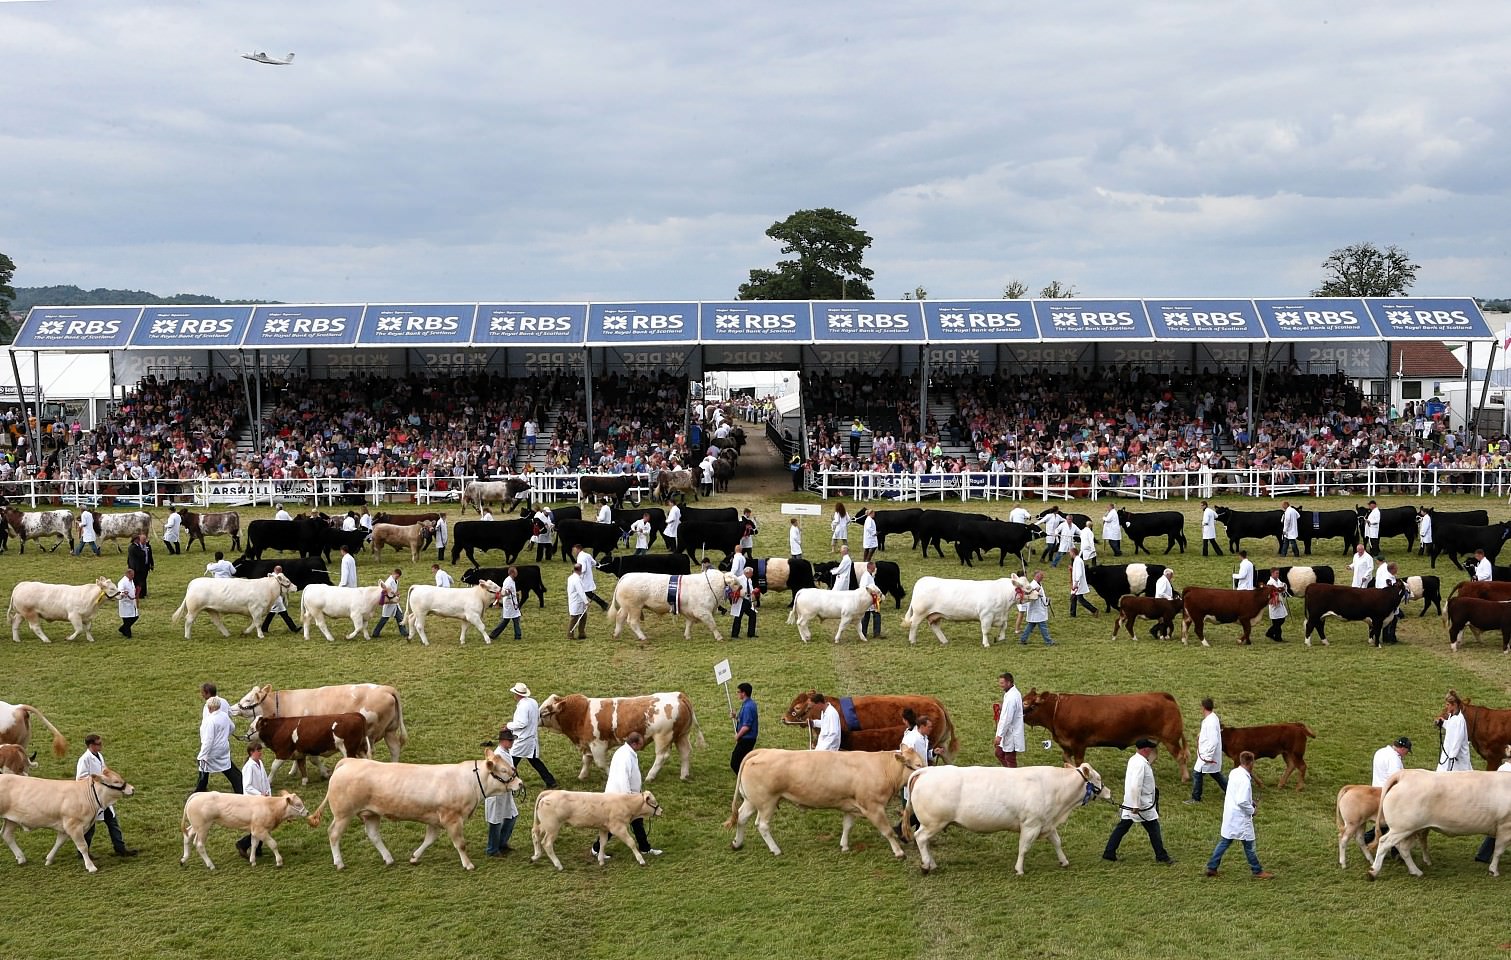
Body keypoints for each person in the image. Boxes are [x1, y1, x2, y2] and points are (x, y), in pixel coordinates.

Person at [590, 732, 662, 859]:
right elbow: (624, 777)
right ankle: (596, 849)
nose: (642, 746)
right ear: (634, 743)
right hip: (620, 799)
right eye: (641, 744)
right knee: (614, 824)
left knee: (637, 822)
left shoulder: (625, 752)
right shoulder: (626, 756)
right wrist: (629, 798)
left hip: (626, 797)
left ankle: (645, 847)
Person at [1102, 738, 1175, 865]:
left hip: (1132, 802)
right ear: (1145, 749)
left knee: (1122, 827)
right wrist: (1136, 805)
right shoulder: (1140, 764)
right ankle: (1161, 856)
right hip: (1141, 804)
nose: (1152, 750)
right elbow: (1136, 785)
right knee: (1153, 828)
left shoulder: (1134, 760)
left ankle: (1109, 852)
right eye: (1150, 748)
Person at [1204, 751, 1272, 879]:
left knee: (1225, 841)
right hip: (1240, 818)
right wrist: (1252, 810)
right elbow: (1241, 801)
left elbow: (1237, 794)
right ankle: (1257, 870)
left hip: (1231, 815)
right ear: (1251, 762)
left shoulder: (1234, 773)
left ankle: (1212, 867)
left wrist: (1250, 801)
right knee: (1249, 845)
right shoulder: (1245, 781)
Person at [76, 733, 136, 857]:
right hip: (92, 798)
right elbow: (80, 778)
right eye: (99, 744)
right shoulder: (85, 759)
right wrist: (99, 779)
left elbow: (104, 770)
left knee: (113, 822)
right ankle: (82, 852)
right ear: (91, 745)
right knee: (90, 827)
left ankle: (120, 849)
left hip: (103, 796)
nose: (101, 746)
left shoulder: (99, 756)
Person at [506, 682, 557, 788]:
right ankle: (550, 781)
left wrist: (509, 725)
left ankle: (515, 783)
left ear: (517, 694)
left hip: (522, 739)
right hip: (531, 738)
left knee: (511, 762)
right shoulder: (533, 702)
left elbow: (522, 723)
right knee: (535, 762)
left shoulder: (523, 707)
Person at [1363, 736, 1411, 844]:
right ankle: (1395, 849)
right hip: (1388, 794)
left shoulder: (1381, 751)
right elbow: (1395, 779)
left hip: (1376, 790)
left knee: (1385, 823)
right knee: (1395, 823)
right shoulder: (1394, 759)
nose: (1405, 755)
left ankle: (1368, 839)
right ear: (1403, 749)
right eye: (1407, 752)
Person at [196, 695, 244, 794]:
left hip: (213, 751)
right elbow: (232, 727)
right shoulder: (224, 715)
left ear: (209, 708)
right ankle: (240, 787)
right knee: (227, 767)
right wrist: (224, 735)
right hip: (224, 747)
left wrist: (202, 754)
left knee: (204, 767)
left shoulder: (210, 721)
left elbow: (208, 740)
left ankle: (200, 790)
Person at [485, 728, 520, 857]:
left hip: (505, 792)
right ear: (503, 741)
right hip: (496, 793)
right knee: (496, 820)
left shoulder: (505, 752)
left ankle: (501, 843)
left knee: (511, 816)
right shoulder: (497, 755)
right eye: (510, 740)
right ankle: (492, 849)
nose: (512, 743)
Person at [1187, 698, 1228, 802]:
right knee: (1215, 774)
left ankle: (1196, 798)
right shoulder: (1212, 718)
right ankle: (1231, 792)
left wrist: (1208, 757)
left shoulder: (1210, 721)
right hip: (1208, 754)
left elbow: (1214, 740)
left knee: (1197, 773)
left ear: (1203, 707)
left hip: (1207, 755)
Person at [1474, 749, 1511, 864]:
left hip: (1497, 803)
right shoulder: (1506, 770)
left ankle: (1483, 855)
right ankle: (1484, 855)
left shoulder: (1502, 768)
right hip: (1504, 804)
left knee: (1498, 830)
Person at [235, 742, 270, 860]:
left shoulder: (260, 763)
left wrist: (268, 793)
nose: (260, 752)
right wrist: (260, 794)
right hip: (252, 801)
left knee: (262, 824)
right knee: (260, 826)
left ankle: (257, 848)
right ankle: (243, 844)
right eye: (258, 750)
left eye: (260, 750)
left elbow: (265, 780)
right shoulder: (249, 767)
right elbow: (247, 786)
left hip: (262, 800)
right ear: (251, 752)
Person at [994, 672, 1024, 767]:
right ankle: (1008, 773)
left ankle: (1013, 777)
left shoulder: (1011, 697)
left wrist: (999, 736)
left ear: (1009, 683)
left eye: (1002, 683)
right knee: (999, 753)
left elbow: (1007, 719)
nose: (1000, 685)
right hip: (1009, 732)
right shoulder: (1012, 693)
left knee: (1009, 758)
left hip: (1011, 733)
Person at [259, 563, 300, 634]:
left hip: (274, 598)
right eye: (279, 570)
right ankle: (293, 628)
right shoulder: (277, 578)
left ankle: (264, 628)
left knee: (273, 613)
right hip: (277, 599)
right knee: (283, 613)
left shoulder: (271, 577)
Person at [1438, 690, 1472, 771]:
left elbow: (1458, 739)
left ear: (1454, 705)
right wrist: (1442, 723)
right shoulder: (1452, 716)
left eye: (1448, 705)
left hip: (1457, 760)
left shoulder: (1459, 720)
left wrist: (1452, 756)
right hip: (1449, 754)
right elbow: (1451, 727)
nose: (1446, 706)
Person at [1017, 571, 1053, 646]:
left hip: (1039, 608)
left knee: (1030, 625)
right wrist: (1035, 591)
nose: (1042, 577)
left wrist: (1046, 600)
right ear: (1036, 576)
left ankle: (1023, 639)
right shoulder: (1032, 585)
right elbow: (1028, 595)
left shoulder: (1038, 584)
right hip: (1036, 609)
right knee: (1043, 626)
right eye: (1041, 576)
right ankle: (1048, 641)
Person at [488, 566, 523, 641]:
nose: (517, 573)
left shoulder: (511, 580)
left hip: (512, 603)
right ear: (512, 573)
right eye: (516, 572)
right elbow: (504, 592)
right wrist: (508, 592)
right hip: (510, 603)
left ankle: (517, 635)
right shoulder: (508, 581)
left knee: (514, 619)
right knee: (509, 620)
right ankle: (494, 634)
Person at [372, 568, 408, 639]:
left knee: (400, 617)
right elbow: (387, 591)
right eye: (397, 576)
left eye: (398, 577)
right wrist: (394, 594)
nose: (398, 578)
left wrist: (396, 593)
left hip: (394, 603)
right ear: (394, 574)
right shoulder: (389, 581)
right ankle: (375, 633)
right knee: (384, 619)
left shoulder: (396, 580)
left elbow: (395, 589)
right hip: (389, 603)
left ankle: (404, 632)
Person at [730, 682, 758, 773]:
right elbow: (744, 721)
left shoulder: (748, 707)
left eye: (738, 692)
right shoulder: (749, 704)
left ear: (743, 693)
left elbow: (746, 726)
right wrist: (736, 717)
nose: (737, 694)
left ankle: (744, 781)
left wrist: (738, 736)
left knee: (735, 763)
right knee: (743, 761)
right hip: (749, 738)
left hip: (746, 739)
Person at [573, 544, 609, 611]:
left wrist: (576, 573)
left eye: (574, 550)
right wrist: (599, 565)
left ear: (578, 549)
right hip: (588, 578)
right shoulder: (587, 555)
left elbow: (583, 569)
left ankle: (604, 604)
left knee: (589, 594)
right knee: (584, 592)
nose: (573, 551)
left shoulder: (580, 558)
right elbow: (594, 562)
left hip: (584, 579)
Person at [730, 566, 759, 639]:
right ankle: (734, 634)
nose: (752, 574)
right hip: (741, 600)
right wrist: (740, 592)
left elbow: (751, 589)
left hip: (747, 600)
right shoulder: (739, 579)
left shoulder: (749, 580)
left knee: (753, 614)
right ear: (747, 573)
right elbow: (733, 587)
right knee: (738, 617)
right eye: (751, 573)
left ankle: (751, 633)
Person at [1068, 546, 1097, 617]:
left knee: (1080, 599)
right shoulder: (1077, 560)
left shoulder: (1078, 561)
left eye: (1070, 553)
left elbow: (1079, 573)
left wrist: (1076, 583)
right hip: (1077, 582)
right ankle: (1072, 613)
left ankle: (1094, 610)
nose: (1069, 554)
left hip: (1078, 583)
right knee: (1073, 598)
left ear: (1073, 553)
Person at [857, 561, 882, 638]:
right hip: (868, 598)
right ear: (870, 567)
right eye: (874, 567)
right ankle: (874, 633)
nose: (875, 568)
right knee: (873, 615)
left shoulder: (870, 575)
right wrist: (873, 594)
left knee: (868, 615)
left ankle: (864, 632)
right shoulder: (866, 576)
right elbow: (864, 587)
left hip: (870, 599)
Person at [566, 563, 589, 639]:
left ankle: (581, 633)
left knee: (583, 616)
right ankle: (570, 634)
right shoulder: (576, 580)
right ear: (580, 570)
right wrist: (586, 602)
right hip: (576, 601)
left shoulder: (571, 577)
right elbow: (581, 591)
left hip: (577, 601)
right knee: (574, 618)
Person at [116, 567, 139, 638]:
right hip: (125, 604)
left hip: (132, 603)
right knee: (127, 620)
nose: (133, 576)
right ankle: (128, 634)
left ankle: (123, 629)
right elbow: (120, 591)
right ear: (128, 574)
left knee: (135, 617)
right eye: (132, 575)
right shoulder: (122, 582)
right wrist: (124, 593)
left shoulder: (130, 581)